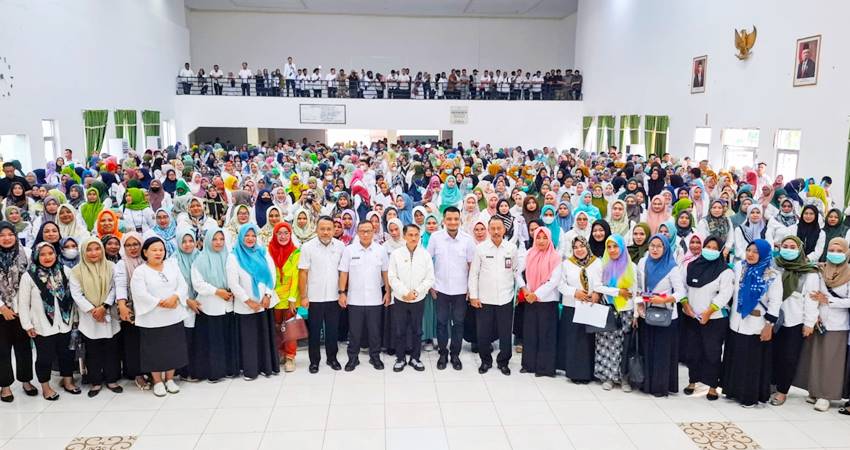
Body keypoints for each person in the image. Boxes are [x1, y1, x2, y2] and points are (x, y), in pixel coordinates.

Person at [722, 239, 781, 407]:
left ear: (763, 254)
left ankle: (749, 396)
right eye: (749, 250)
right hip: (736, 321)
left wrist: (769, 325)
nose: (751, 254)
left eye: (756, 252)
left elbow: (775, 302)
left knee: (752, 362)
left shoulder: (772, 275)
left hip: (757, 324)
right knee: (735, 358)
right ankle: (732, 390)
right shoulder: (740, 267)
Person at [17, 242, 78, 400]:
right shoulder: (29, 276)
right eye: (42, 254)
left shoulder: (65, 271)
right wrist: (27, 325)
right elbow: (22, 304)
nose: (47, 257)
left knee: (67, 354)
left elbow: (73, 297)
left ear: (56, 254)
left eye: (50, 253)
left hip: (65, 323)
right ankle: (45, 387)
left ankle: (68, 381)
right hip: (41, 327)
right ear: (37, 256)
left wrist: (75, 320)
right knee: (45, 357)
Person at [130, 237, 189, 397]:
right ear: (145, 252)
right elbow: (140, 293)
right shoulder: (140, 271)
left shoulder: (172, 266)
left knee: (173, 347)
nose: (158, 253)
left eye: (161, 250)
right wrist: (160, 302)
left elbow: (182, 285)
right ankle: (157, 381)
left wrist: (175, 297)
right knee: (153, 350)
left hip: (173, 314)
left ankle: (170, 379)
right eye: (154, 250)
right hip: (152, 317)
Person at [797, 238, 850, 412]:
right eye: (832, 250)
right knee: (817, 357)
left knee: (832, 361)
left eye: (839, 251)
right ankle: (815, 390)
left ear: (846, 252)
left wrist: (829, 300)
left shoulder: (849, 272)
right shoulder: (820, 270)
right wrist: (815, 315)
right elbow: (813, 295)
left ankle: (826, 395)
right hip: (820, 320)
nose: (835, 254)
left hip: (838, 324)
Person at [69, 237, 122, 397]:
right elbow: (76, 294)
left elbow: (115, 288)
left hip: (108, 314)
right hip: (89, 317)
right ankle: (96, 382)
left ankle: (112, 379)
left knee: (111, 349)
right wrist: (93, 310)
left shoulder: (111, 266)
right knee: (93, 351)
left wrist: (104, 306)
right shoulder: (76, 271)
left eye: (97, 249)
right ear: (83, 252)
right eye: (89, 250)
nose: (93, 253)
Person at [770, 235, 819, 406]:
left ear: (799, 249)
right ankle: (771, 384)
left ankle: (782, 391)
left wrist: (809, 323)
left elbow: (811, 300)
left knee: (788, 357)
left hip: (794, 321)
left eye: (792, 247)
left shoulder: (809, 272)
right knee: (771, 353)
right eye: (785, 246)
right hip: (772, 319)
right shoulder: (774, 265)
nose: (788, 249)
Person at [226, 223, 280, 380]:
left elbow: (272, 275)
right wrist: (248, 301)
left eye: (253, 236)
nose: (250, 239)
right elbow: (233, 283)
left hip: (264, 304)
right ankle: (250, 370)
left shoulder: (263, 253)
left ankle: (266, 367)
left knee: (264, 336)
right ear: (241, 237)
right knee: (249, 340)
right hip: (245, 307)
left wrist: (268, 295)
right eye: (247, 236)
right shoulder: (234, 256)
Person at [468, 217, 521, 375]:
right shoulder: (481, 249)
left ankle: (503, 361)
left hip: (506, 297)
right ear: (489, 230)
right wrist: (473, 296)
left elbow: (516, 272)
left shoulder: (511, 248)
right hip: (484, 299)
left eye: (499, 228)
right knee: (483, 333)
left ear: (504, 230)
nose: (496, 231)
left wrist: (518, 292)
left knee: (505, 333)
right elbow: (474, 274)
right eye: (493, 228)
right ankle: (485, 361)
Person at [636, 234, 686, 397]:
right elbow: (637, 286)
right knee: (648, 349)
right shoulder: (643, 263)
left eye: (659, 246)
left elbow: (681, 292)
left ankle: (660, 386)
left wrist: (663, 298)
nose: (655, 249)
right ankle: (647, 384)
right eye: (652, 246)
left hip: (666, 316)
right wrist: (639, 305)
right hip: (647, 314)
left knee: (662, 352)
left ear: (665, 248)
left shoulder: (672, 267)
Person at [427, 206, 475, 370]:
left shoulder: (467, 239)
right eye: (449, 219)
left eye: (456, 219)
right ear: (444, 220)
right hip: (440, 289)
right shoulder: (435, 237)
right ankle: (442, 353)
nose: (452, 222)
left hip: (461, 291)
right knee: (441, 323)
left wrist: (471, 288)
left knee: (459, 323)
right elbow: (428, 262)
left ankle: (455, 354)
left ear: (460, 220)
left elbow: (472, 266)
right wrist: (431, 286)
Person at [338, 221, 390, 371]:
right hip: (354, 299)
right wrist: (342, 293)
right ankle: (352, 358)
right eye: (362, 231)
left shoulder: (380, 250)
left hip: (375, 299)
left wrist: (388, 291)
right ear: (358, 232)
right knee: (354, 331)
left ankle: (375, 357)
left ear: (373, 232)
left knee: (375, 331)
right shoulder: (349, 250)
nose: (365, 234)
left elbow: (385, 272)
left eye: (368, 231)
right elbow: (344, 273)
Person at [190, 226, 238, 382]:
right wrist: (218, 291)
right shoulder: (200, 260)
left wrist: (231, 291)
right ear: (207, 240)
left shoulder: (230, 257)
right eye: (215, 239)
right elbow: (198, 284)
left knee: (228, 339)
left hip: (228, 305)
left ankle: (230, 369)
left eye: (221, 239)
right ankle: (215, 372)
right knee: (213, 342)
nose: (218, 242)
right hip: (210, 306)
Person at [298, 216, 344, 373]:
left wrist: (343, 293)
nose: (325, 232)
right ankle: (314, 361)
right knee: (315, 331)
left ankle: (332, 358)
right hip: (314, 297)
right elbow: (303, 273)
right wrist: (303, 296)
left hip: (334, 296)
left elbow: (343, 272)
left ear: (334, 230)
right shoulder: (308, 247)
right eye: (322, 229)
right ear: (316, 229)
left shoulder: (340, 246)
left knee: (332, 330)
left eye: (329, 229)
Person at [387, 224, 435, 372]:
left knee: (417, 330)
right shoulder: (396, 254)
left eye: (416, 235)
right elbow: (392, 277)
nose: (413, 238)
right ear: (404, 236)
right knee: (400, 330)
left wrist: (416, 292)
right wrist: (404, 292)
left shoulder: (425, 255)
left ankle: (415, 358)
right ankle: (400, 359)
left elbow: (430, 278)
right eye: (410, 235)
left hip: (418, 299)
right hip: (401, 299)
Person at [593, 234, 637, 391]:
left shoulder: (631, 266)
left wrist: (637, 315)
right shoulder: (602, 265)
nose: (612, 250)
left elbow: (636, 292)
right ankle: (609, 377)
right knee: (607, 345)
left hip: (626, 311)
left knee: (624, 346)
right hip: (609, 310)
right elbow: (597, 287)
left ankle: (624, 379)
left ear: (622, 247)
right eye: (609, 247)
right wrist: (617, 291)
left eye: (615, 246)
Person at [516, 227, 562, 377]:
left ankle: (545, 368)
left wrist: (536, 294)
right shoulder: (529, 253)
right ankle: (528, 365)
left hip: (548, 300)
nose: (541, 241)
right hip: (530, 299)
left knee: (546, 334)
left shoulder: (556, 257)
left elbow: (554, 281)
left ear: (549, 239)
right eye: (538, 238)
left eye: (544, 238)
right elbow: (516, 271)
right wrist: (524, 289)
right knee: (530, 333)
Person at [0, 221, 37, 401]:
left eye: (10, 234)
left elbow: (30, 281)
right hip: (1, 312)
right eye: (2, 235)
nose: (6, 238)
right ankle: (5, 386)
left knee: (23, 348)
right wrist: (2, 307)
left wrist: (23, 307)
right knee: (2, 350)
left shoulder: (26, 254)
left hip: (22, 309)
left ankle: (26, 381)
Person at [269, 222, 301, 372]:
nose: (283, 236)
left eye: (286, 233)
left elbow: (296, 276)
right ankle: (279, 353)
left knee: (290, 327)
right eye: (279, 233)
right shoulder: (268, 251)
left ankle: (290, 357)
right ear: (275, 235)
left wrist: (292, 298)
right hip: (273, 296)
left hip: (290, 297)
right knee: (276, 327)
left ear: (290, 234)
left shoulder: (295, 252)